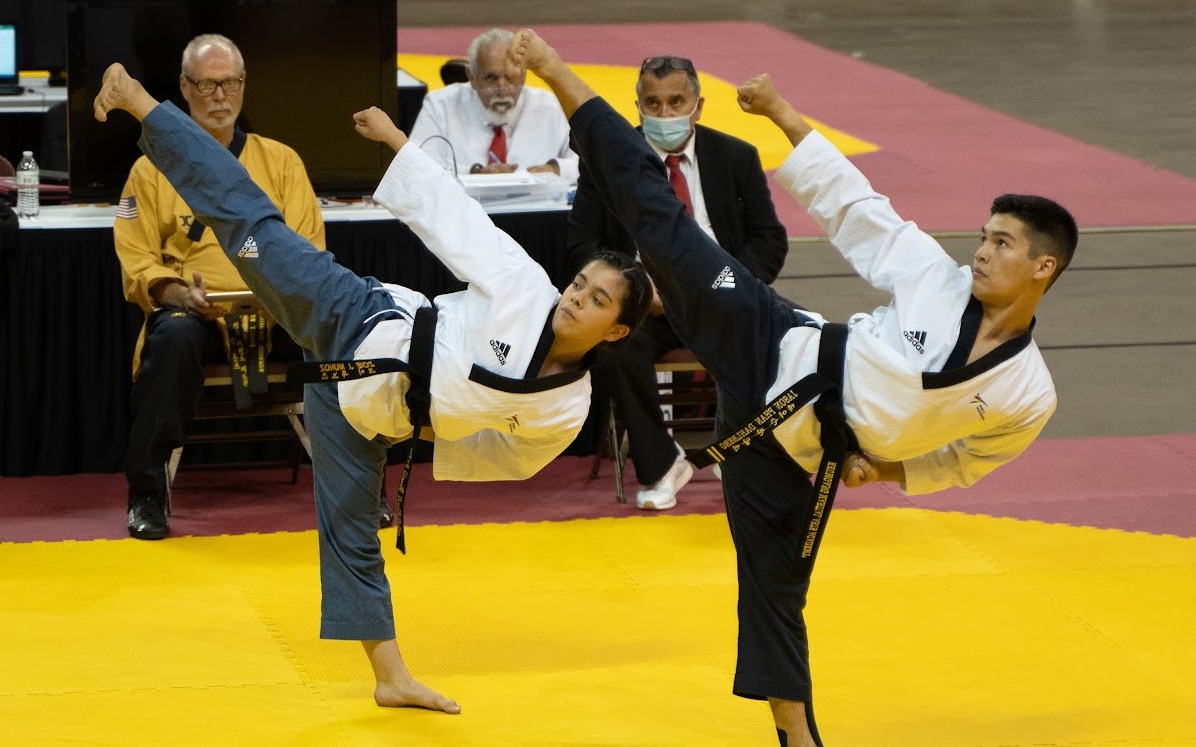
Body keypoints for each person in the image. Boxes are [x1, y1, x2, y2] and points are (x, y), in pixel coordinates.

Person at [508, 29, 1077, 746]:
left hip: (795, 449)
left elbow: (970, 460)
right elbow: (855, 205)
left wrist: (893, 468)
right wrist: (782, 113)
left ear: (1042, 268)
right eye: (986, 235)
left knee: (776, 583)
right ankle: (558, 73)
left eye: (1002, 243)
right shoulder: (938, 277)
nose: (982, 250)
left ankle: (795, 735)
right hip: (772, 340)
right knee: (657, 218)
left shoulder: (1029, 391)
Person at [93, 61, 651, 713]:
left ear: (616, 331)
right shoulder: (527, 288)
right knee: (252, 223)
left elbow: (513, 456)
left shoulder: (564, 407)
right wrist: (397, 142)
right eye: (581, 283)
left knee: (351, 532)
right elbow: (461, 222)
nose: (576, 297)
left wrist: (428, 431)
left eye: (596, 300)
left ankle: (390, 677)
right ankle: (140, 100)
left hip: (362, 410)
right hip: (351, 314)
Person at [114, 34, 325, 541]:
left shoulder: (281, 163)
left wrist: (280, 293)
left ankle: (361, 490)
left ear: (243, 86)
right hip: (197, 314)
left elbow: (311, 252)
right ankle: (145, 494)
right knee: (173, 338)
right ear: (184, 88)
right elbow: (135, 256)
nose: (219, 97)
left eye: (229, 83)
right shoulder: (150, 170)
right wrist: (174, 293)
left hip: (277, 314)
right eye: (206, 85)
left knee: (338, 333)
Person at [568, 54, 788, 510]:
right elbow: (582, 244)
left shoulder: (735, 157)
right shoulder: (607, 162)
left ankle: (746, 444)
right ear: (638, 106)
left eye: (675, 102)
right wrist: (632, 290)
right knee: (614, 347)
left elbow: (768, 239)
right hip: (644, 304)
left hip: (723, 295)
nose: (664, 114)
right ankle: (662, 463)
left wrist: (729, 285)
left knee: (781, 334)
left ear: (698, 105)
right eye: (653, 104)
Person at [407, 27, 578, 183]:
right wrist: (475, 175)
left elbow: (590, 162)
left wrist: (555, 169)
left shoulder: (551, 107)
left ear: (524, 75)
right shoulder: (440, 106)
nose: (502, 89)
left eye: (511, 77)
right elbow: (417, 169)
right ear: (472, 77)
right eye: (491, 78)